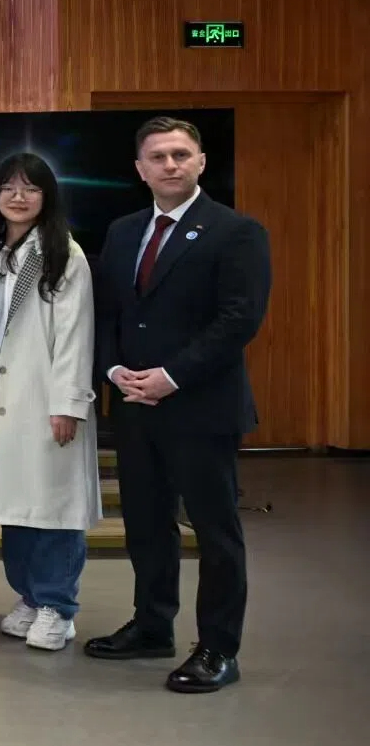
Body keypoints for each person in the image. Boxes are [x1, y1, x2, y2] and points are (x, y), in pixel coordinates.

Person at [86, 117, 271, 693]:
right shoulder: (123, 231)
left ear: (201, 162)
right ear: (140, 170)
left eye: (181, 154)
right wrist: (113, 370)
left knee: (215, 533)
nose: (170, 164)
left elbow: (239, 319)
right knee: (146, 524)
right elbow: (108, 313)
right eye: (158, 157)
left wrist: (171, 376)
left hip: (201, 408)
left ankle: (218, 647)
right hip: (134, 406)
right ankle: (152, 624)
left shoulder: (236, 231)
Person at [0, 153, 101, 652]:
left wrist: (68, 403)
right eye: (8, 187)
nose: (18, 197)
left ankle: (58, 606)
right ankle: (29, 595)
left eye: (30, 188)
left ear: (47, 195)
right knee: (17, 508)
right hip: (3, 400)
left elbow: (75, 335)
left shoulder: (63, 253)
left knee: (54, 508)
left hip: (47, 402)